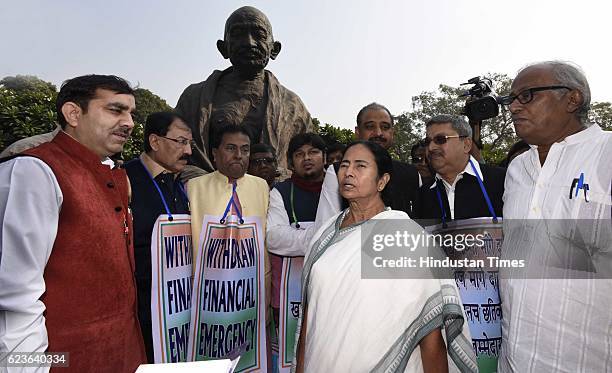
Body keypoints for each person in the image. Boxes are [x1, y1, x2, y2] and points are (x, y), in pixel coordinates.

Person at [0, 75, 146, 372]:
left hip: (122, 354)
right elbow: (15, 298)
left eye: (131, 113)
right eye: (116, 110)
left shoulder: (110, 174)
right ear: (73, 114)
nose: (129, 122)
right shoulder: (34, 172)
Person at [294, 141, 476, 372]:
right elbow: (310, 314)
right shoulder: (325, 233)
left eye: (360, 166)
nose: (348, 172)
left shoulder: (406, 237)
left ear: (382, 181)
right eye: (344, 165)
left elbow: (428, 327)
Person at [496, 61, 612, 372]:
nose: (514, 107)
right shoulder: (517, 169)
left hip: (585, 359)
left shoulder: (607, 153)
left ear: (572, 99)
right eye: (511, 99)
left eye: (527, 95)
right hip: (513, 356)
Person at [175, 6, 314, 179]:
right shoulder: (194, 98)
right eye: (238, 34)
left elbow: (310, 165)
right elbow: (173, 155)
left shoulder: (293, 106)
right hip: (206, 199)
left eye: (259, 35)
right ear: (223, 48)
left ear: (274, 49)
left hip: (272, 201)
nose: (249, 42)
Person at [187, 124, 271, 369]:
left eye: (245, 150)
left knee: (250, 356)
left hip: (252, 291)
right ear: (215, 153)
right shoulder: (194, 187)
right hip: (209, 295)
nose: (239, 156)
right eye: (231, 148)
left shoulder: (261, 186)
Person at [123, 112, 192, 362]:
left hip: (176, 311)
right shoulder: (125, 179)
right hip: (139, 313)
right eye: (181, 142)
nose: (189, 151)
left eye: (190, 143)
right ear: (155, 141)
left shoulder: (178, 185)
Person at [266, 133, 326, 363]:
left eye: (313, 152)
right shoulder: (280, 191)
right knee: (291, 357)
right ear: (291, 163)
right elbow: (274, 237)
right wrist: (322, 235)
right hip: (289, 296)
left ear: (325, 157)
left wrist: (298, 236)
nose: (307, 158)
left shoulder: (342, 188)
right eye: (299, 154)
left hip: (331, 292)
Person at [316, 103, 420, 228]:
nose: (378, 133)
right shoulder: (337, 171)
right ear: (358, 132)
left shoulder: (411, 173)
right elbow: (324, 227)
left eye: (385, 127)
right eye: (370, 127)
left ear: (392, 133)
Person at [413, 114, 505, 222]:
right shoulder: (423, 195)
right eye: (427, 142)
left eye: (440, 139)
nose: (431, 147)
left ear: (466, 145)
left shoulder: (502, 180)